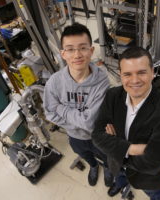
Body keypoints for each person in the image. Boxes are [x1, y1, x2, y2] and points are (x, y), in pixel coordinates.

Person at [92, 46, 160, 199]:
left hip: (147, 177)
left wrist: (114, 145)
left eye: (141, 72)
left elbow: (154, 161)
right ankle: (120, 184)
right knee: (119, 177)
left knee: (156, 195)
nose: (134, 80)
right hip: (116, 165)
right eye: (127, 74)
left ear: (153, 72)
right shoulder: (113, 96)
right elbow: (97, 135)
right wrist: (132, 149)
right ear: (120, 75)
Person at [43, 23, 113, 187]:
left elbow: (89, 122)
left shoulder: (101, 81)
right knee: (84, 154)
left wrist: (61, 108)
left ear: (91, 50)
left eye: (82, 48)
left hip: (99, 136)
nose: (77, 54)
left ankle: (108, 169)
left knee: (107, 156)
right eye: (70, 49)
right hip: (74, 136)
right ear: (63, 54)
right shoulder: (54, 82)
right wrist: (77, 123)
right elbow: (49, 113)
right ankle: (94, 167)